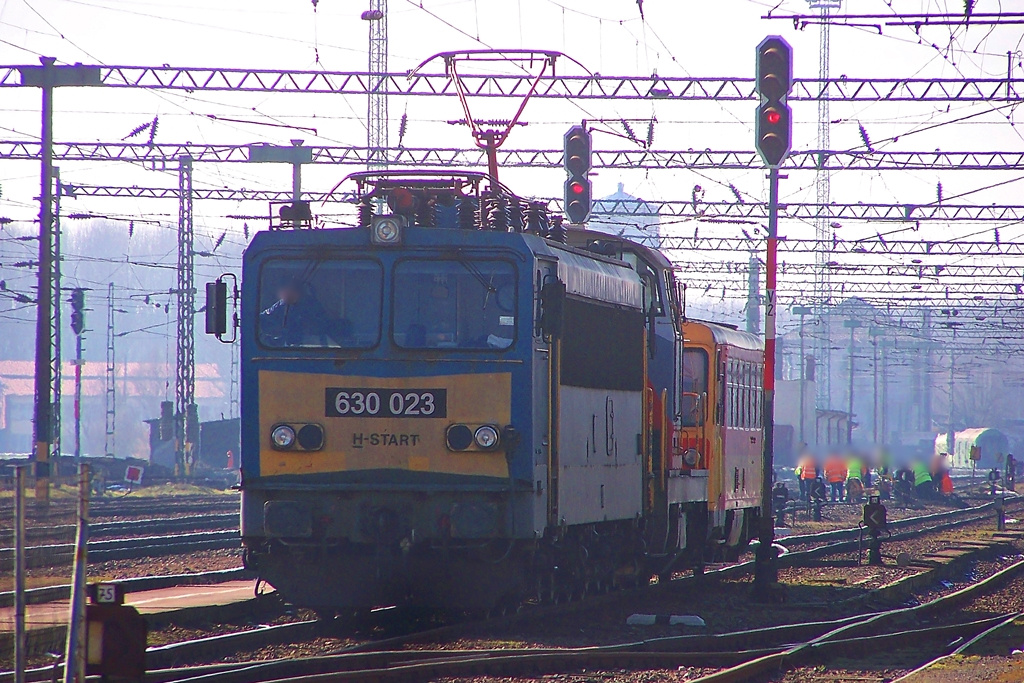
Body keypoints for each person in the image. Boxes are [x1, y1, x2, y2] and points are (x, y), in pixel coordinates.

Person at [260, 277, 350, 347]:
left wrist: (309, 328)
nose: (287, 292)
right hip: (286, 349)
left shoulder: (312, 305)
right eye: (285, 289)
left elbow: (322, 324)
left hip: (314, 347)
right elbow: (262, 320)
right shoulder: (280, 305)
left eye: (292, 289)